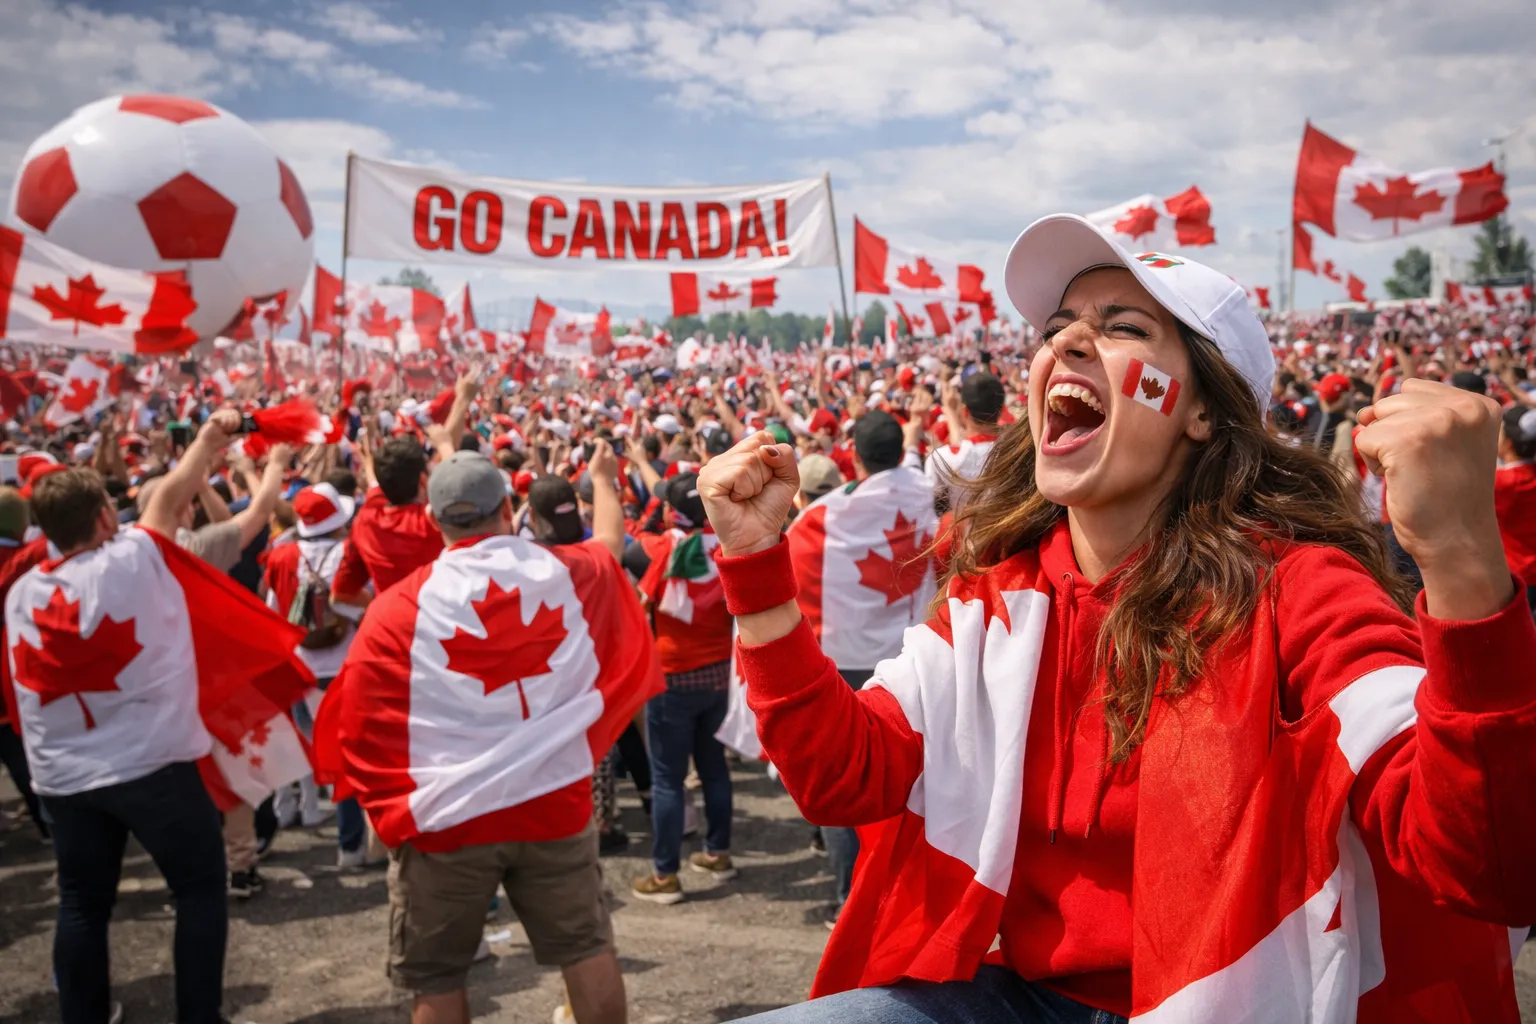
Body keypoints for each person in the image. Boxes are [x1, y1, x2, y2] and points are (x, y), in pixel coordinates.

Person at [701, 215, 1536, 1022]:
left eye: (1121, 326)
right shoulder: (994, 600)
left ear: (1203, 410)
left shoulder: (1300, 592)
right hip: (1020, 999)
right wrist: (755, 571)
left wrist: (1463, 559)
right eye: (1058, 326)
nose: (1063, 342)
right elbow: (840, 776)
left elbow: (1486, 864)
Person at [314, 451, 660, 1024]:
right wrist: (602, 480)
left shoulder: (397, 608)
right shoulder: (570, 572)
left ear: (434, 521)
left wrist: (390, 808)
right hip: (553, 803)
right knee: (586, 947)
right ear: (508, 508)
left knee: (437, 975)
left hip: (449, 817)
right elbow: (608, 539)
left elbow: (363, 723)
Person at [7, 410, 277, 1024]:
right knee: (199, 889)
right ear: (106, 516)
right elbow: (177, 491)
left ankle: (83, 1015)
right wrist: (211, 437)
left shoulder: (24, 592)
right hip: (153, 767)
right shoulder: (133, 556)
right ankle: (198, 1016)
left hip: (65, 778)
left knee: (82, 904)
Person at [785, 411, 937, 927]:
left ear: (853, 455)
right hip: (914, 656)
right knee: (912, 783)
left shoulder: (819, 519)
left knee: (845, 780)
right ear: (902, 449)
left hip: (846, 665)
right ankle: (905, 895)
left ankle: (850, 898)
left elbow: (789, 583)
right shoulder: (930, 494)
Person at [623, 472, 738, 905]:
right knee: (714, 768)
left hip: (671, 676)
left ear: (672, 510)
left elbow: (632, 544)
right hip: (719, 673)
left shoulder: (657, 548)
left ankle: (666, 874)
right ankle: (718, 854)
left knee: (668, 778)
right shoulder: (727, 544)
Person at [262, 482, 370, 873]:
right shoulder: (351, 554)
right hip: (348, 667)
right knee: (352, 761)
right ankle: (354, 844)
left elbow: (273, 613)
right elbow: (366, 606)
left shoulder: (281, 555)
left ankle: (335, 829)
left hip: (302, 670)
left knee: (323, 755)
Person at [330, 436, 444, 606]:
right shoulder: (437, 522)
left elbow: (341, 593)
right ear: (423, 479)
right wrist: (445, 444)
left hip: (392, 624)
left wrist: (379, 606)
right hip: (450, 625)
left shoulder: (366, 520)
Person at [924, 372, 1004, 512]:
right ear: (1002, 411)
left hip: (961, 530)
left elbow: (929, 503)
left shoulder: (941, 458)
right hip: (1008, 530)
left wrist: (950, 412)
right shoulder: (1016, 450)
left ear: (965, 410)